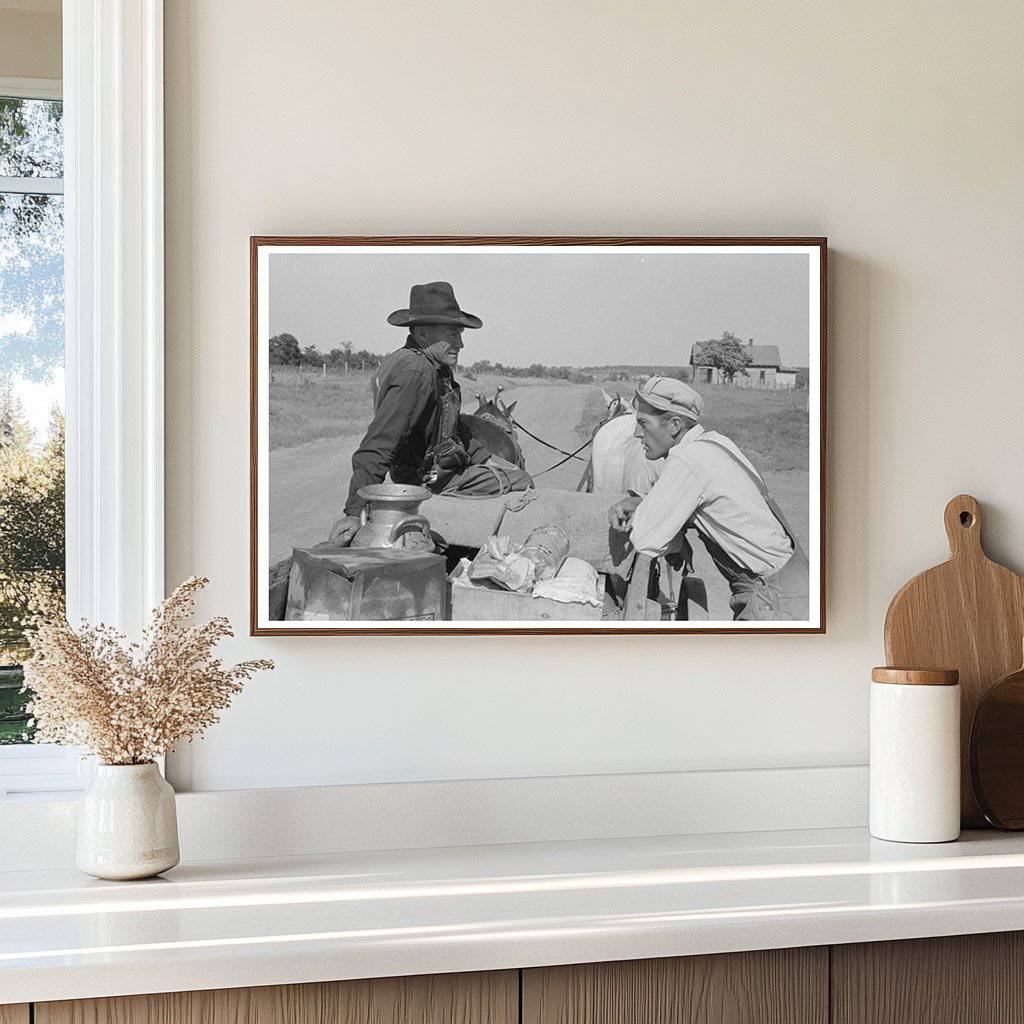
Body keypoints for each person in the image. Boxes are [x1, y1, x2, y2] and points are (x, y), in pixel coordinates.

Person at [330, 282, 532, 545]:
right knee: (522, 478)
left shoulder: (431, 366)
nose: (460, 343)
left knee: (504, 465)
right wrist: (353, 512)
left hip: (435, 468)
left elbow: (452, 428)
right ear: (422, 333)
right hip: (431, 479)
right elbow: (378, 444)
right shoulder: (415, 372)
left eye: (460, 335)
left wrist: (486, 458)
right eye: (452, 334)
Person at [608, 376, 808, 621]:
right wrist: (643, 503)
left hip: (772, 600)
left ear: (674, 425)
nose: (636, 433)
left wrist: (646, 514)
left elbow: (645, 537)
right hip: (795, 583)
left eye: (643, 423)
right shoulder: (715, 442)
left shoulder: (686, 459)